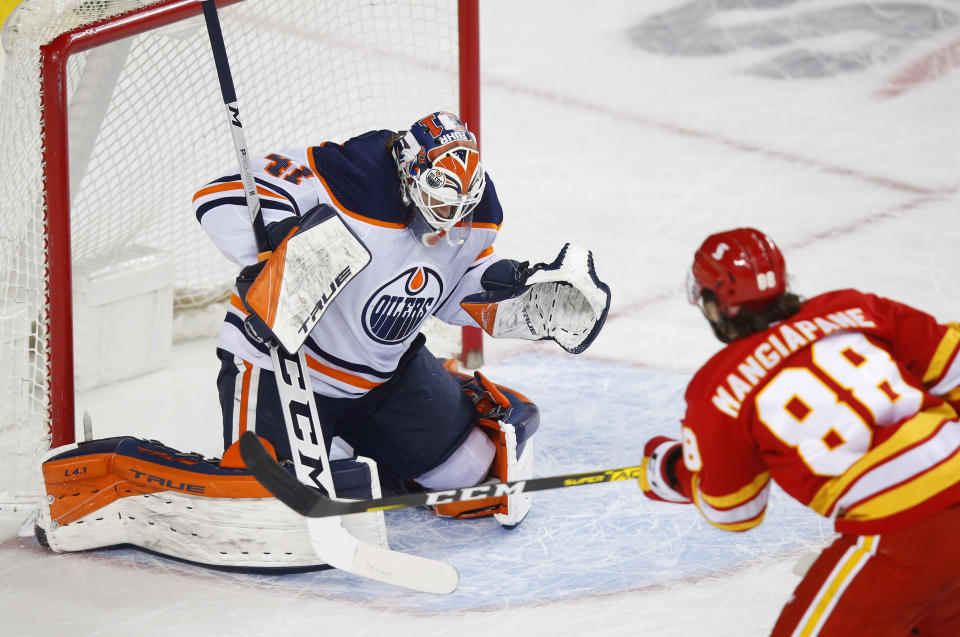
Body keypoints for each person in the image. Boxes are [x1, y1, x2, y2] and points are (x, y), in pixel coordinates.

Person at [191, 111, 610, 526]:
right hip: (284, 367)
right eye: (438, 204)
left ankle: (360, 439)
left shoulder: (475, 210)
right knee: (269, 508)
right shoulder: (351, 173)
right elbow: (218, 197)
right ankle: (322, 442)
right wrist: (284, 241)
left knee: (469, 481)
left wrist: (515, 289)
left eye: (457, 210)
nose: (444, 227)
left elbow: (449, 291)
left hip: (384, 376)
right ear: (410, 173)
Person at [638, 227, 960, 636]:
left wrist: (672, 473)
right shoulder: (855, 307)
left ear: (715, 305)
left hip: (898, 537)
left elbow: (734, 510)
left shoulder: (719, 388)